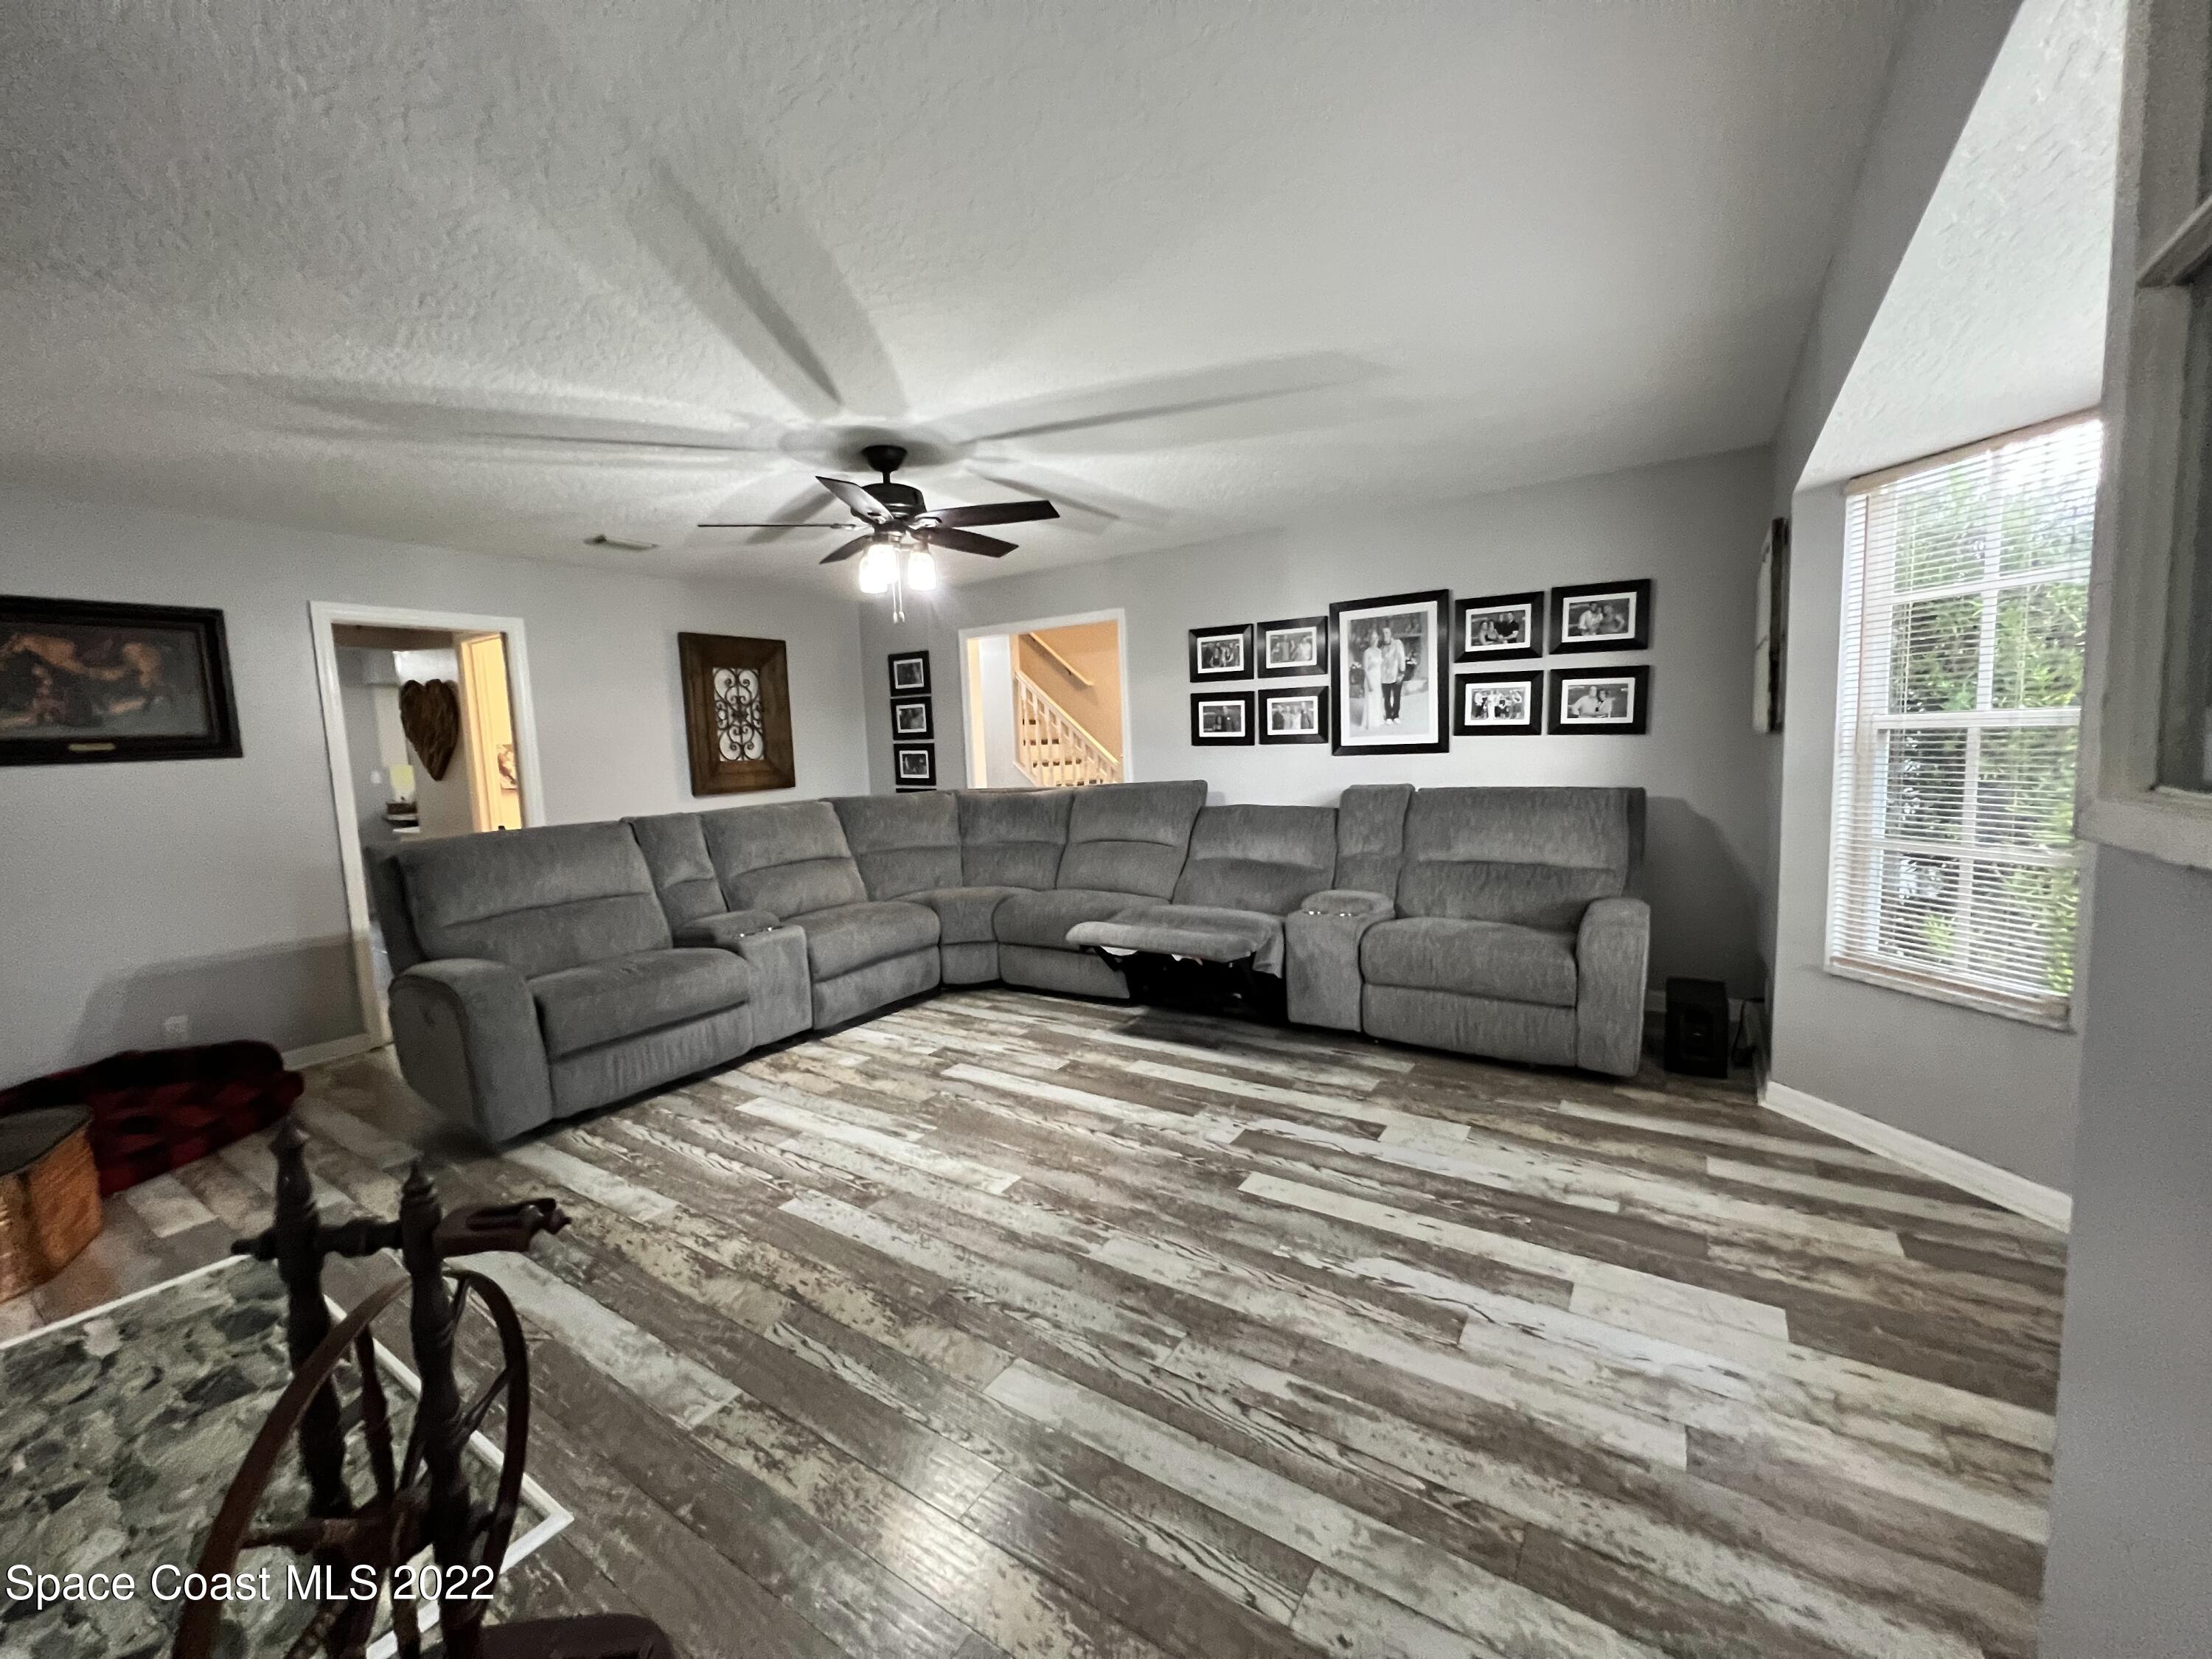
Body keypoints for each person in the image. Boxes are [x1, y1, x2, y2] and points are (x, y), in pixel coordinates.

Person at [1380, 625, 1408, 723]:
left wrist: (1401, 673)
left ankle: (1396, 715)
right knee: (1387, 697)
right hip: (1384, 676)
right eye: (1383, 633)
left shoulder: (1397, 643)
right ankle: (1388, 716)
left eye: (1387, 632)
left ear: (1391, 633)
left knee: (1397, 696)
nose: (1385, 634)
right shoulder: (1380, 646)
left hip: (1396, 674)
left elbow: (1401, 657)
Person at [1359, 627, 1385, 731]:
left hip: (1378, 678)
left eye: (1376, 638)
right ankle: (1370, 722)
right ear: (1369, 639)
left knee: (1378, 698)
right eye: (1372, 638)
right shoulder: (1367, 652)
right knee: (1370, 699)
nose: (1374, 640)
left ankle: (1377, 720)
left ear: (1378, 638)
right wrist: (1369, 682)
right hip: (1370, 677)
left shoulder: (1380, 651)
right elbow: (1365, 669)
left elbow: (1381, 666)